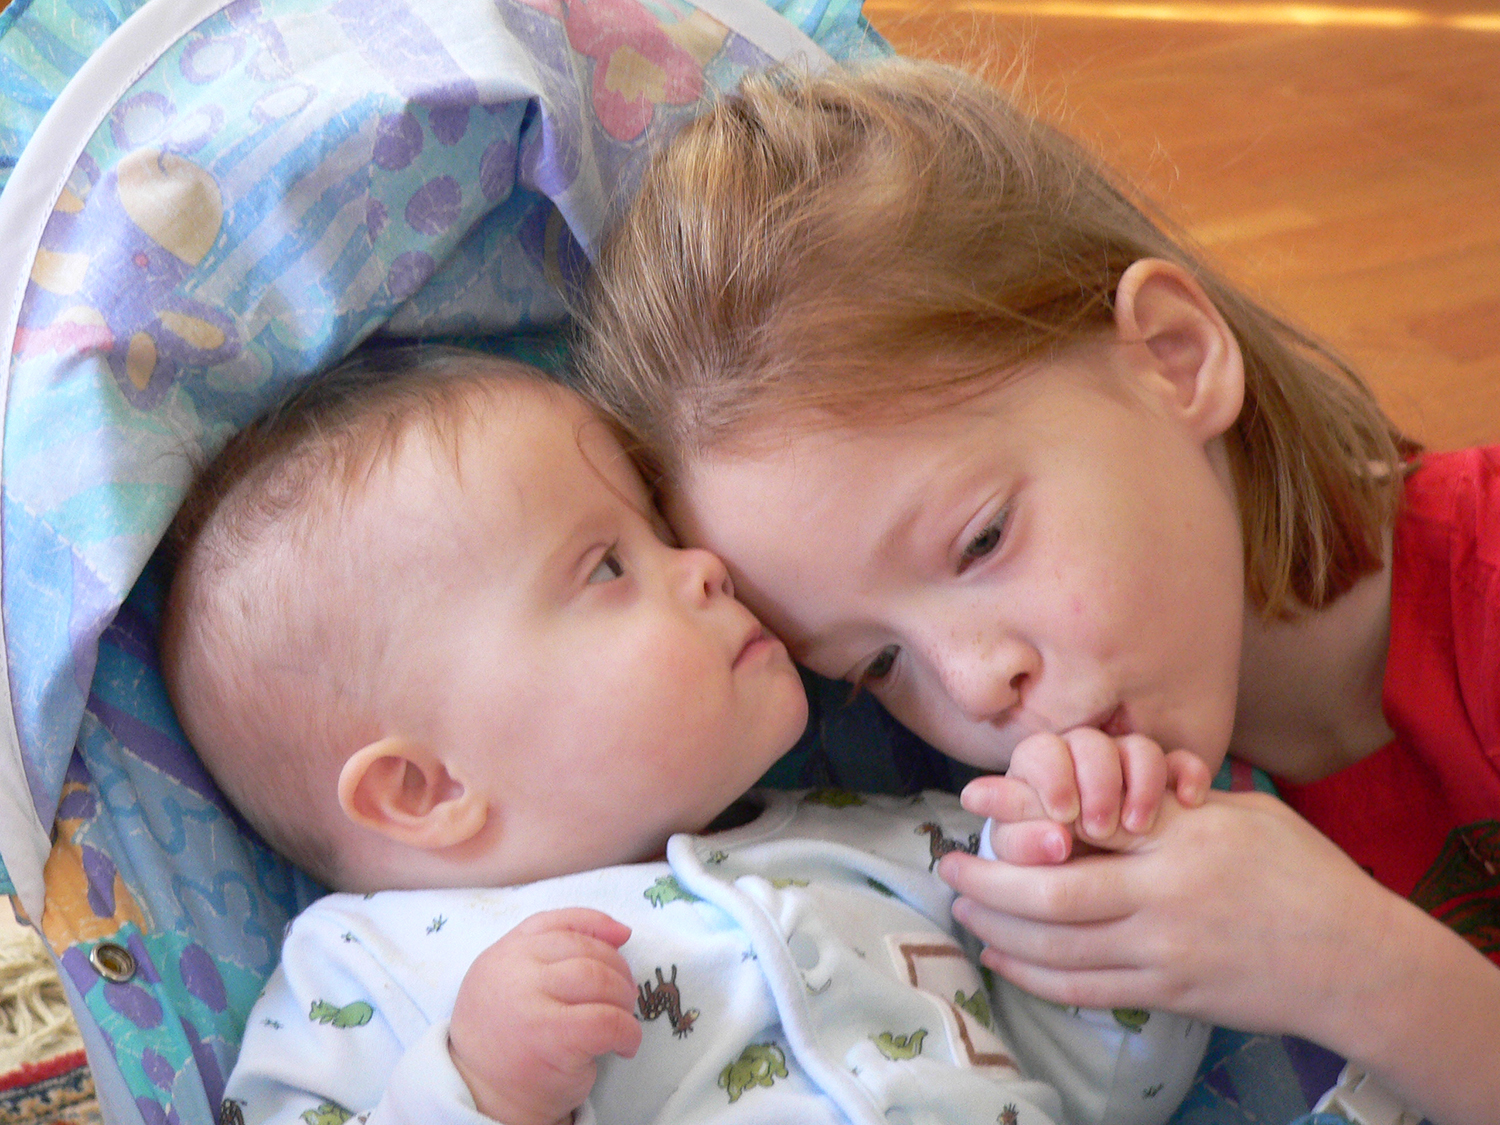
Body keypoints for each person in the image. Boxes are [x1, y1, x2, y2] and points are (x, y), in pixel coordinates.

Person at [576, 57, 1500, 1125]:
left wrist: (1364, 971)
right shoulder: (999, 833)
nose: (975, 688)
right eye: (876, 665)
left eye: (981, 541)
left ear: (1172, 356)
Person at [158, 346, 1210, 1125]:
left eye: (665, 534)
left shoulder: (923, 849)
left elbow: (1103, 1095)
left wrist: (1100, 873)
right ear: (424, 790)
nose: (705, 564)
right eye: (610, 566)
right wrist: (475, 1087)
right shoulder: (369, 976)